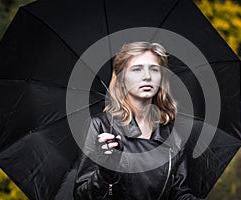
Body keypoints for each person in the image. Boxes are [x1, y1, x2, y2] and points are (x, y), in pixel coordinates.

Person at [74, 42, 198, 199]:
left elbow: (179, 193)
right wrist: (105, 171)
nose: (147, 76)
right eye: (137, 69)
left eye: (154, 69)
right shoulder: (102, 127)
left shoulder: (173, 135)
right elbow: (81, 196)